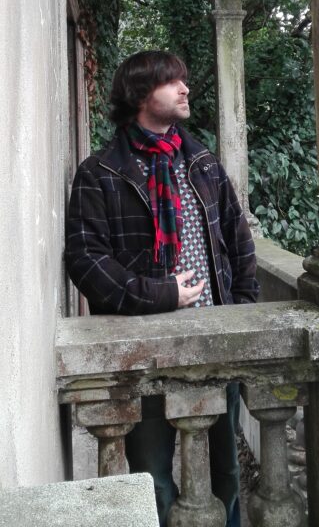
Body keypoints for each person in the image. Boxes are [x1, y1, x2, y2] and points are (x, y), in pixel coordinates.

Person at [66, 49, 259, 527]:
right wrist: (161, 296)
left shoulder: (203, 163)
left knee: (226, 470)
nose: (185, 88)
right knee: (152, 472)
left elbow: (238, 239)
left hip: (216, 335)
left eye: (183, 79)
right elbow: (86, 260)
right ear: (139, 93)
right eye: (172, 81)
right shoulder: (100, 172)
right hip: (145, 343)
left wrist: (244, 313)